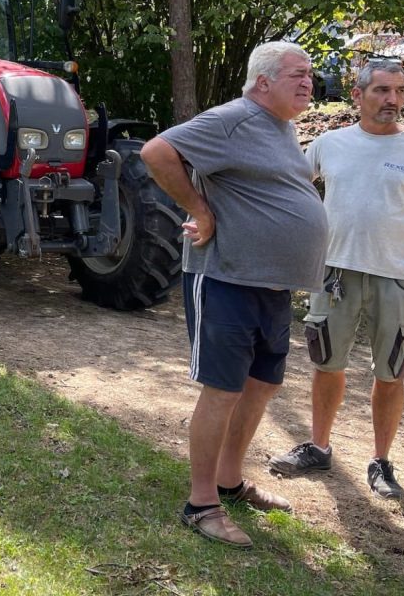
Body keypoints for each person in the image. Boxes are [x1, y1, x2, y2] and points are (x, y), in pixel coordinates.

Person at [141, 42, 329, 549]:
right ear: (263, 81)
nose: (309, 82)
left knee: (261, 385)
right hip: (225, 278)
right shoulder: (233, 118)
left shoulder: (282, 128)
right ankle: (201, 503)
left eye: (310, 75)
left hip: (272, 287)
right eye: (298, 74)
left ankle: (229, 480)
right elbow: (157, 152)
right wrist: (200, 211)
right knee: (222, 390)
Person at [268, 61, 404, 500]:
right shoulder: (329, 144)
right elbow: (289, 192)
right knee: (326, 364)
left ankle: (381, 462)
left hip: (396, 278)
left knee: (392, 373)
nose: (392, 99)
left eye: (399, 90)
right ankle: (318, 448)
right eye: (381, 90)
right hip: (333, 273)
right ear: (357, 95)